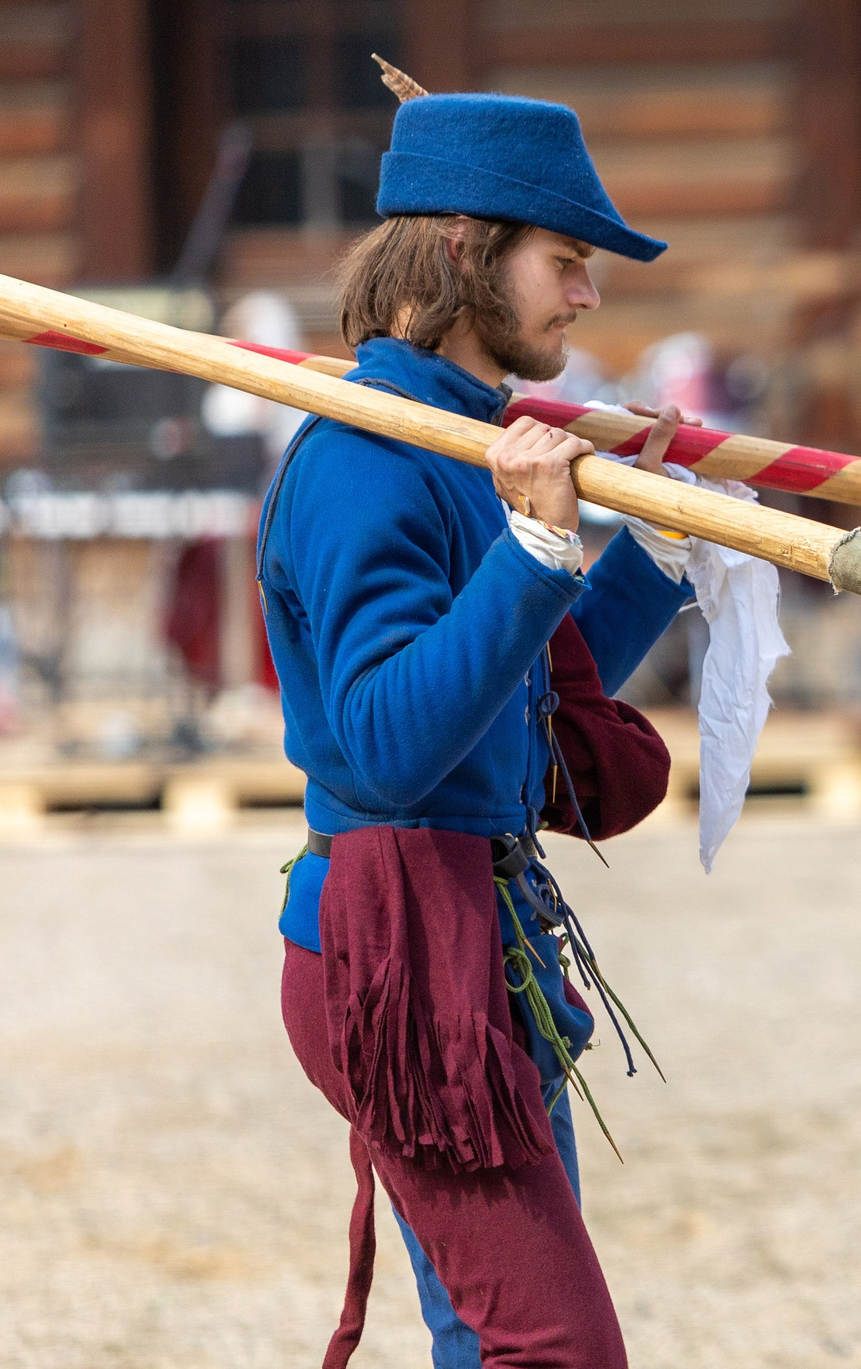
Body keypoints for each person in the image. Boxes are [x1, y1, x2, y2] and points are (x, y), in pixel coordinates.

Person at [260, 91, 693, 1368]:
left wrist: (648, 550)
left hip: (478, 942)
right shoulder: (365, 461)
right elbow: (393, 745)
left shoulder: (467, 441)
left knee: (493, 1343)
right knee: (555, 1352)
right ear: (463, 252)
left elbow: (509, 704)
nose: (587, 296)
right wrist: (539, 548)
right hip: (403, 959)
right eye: (565, 262)